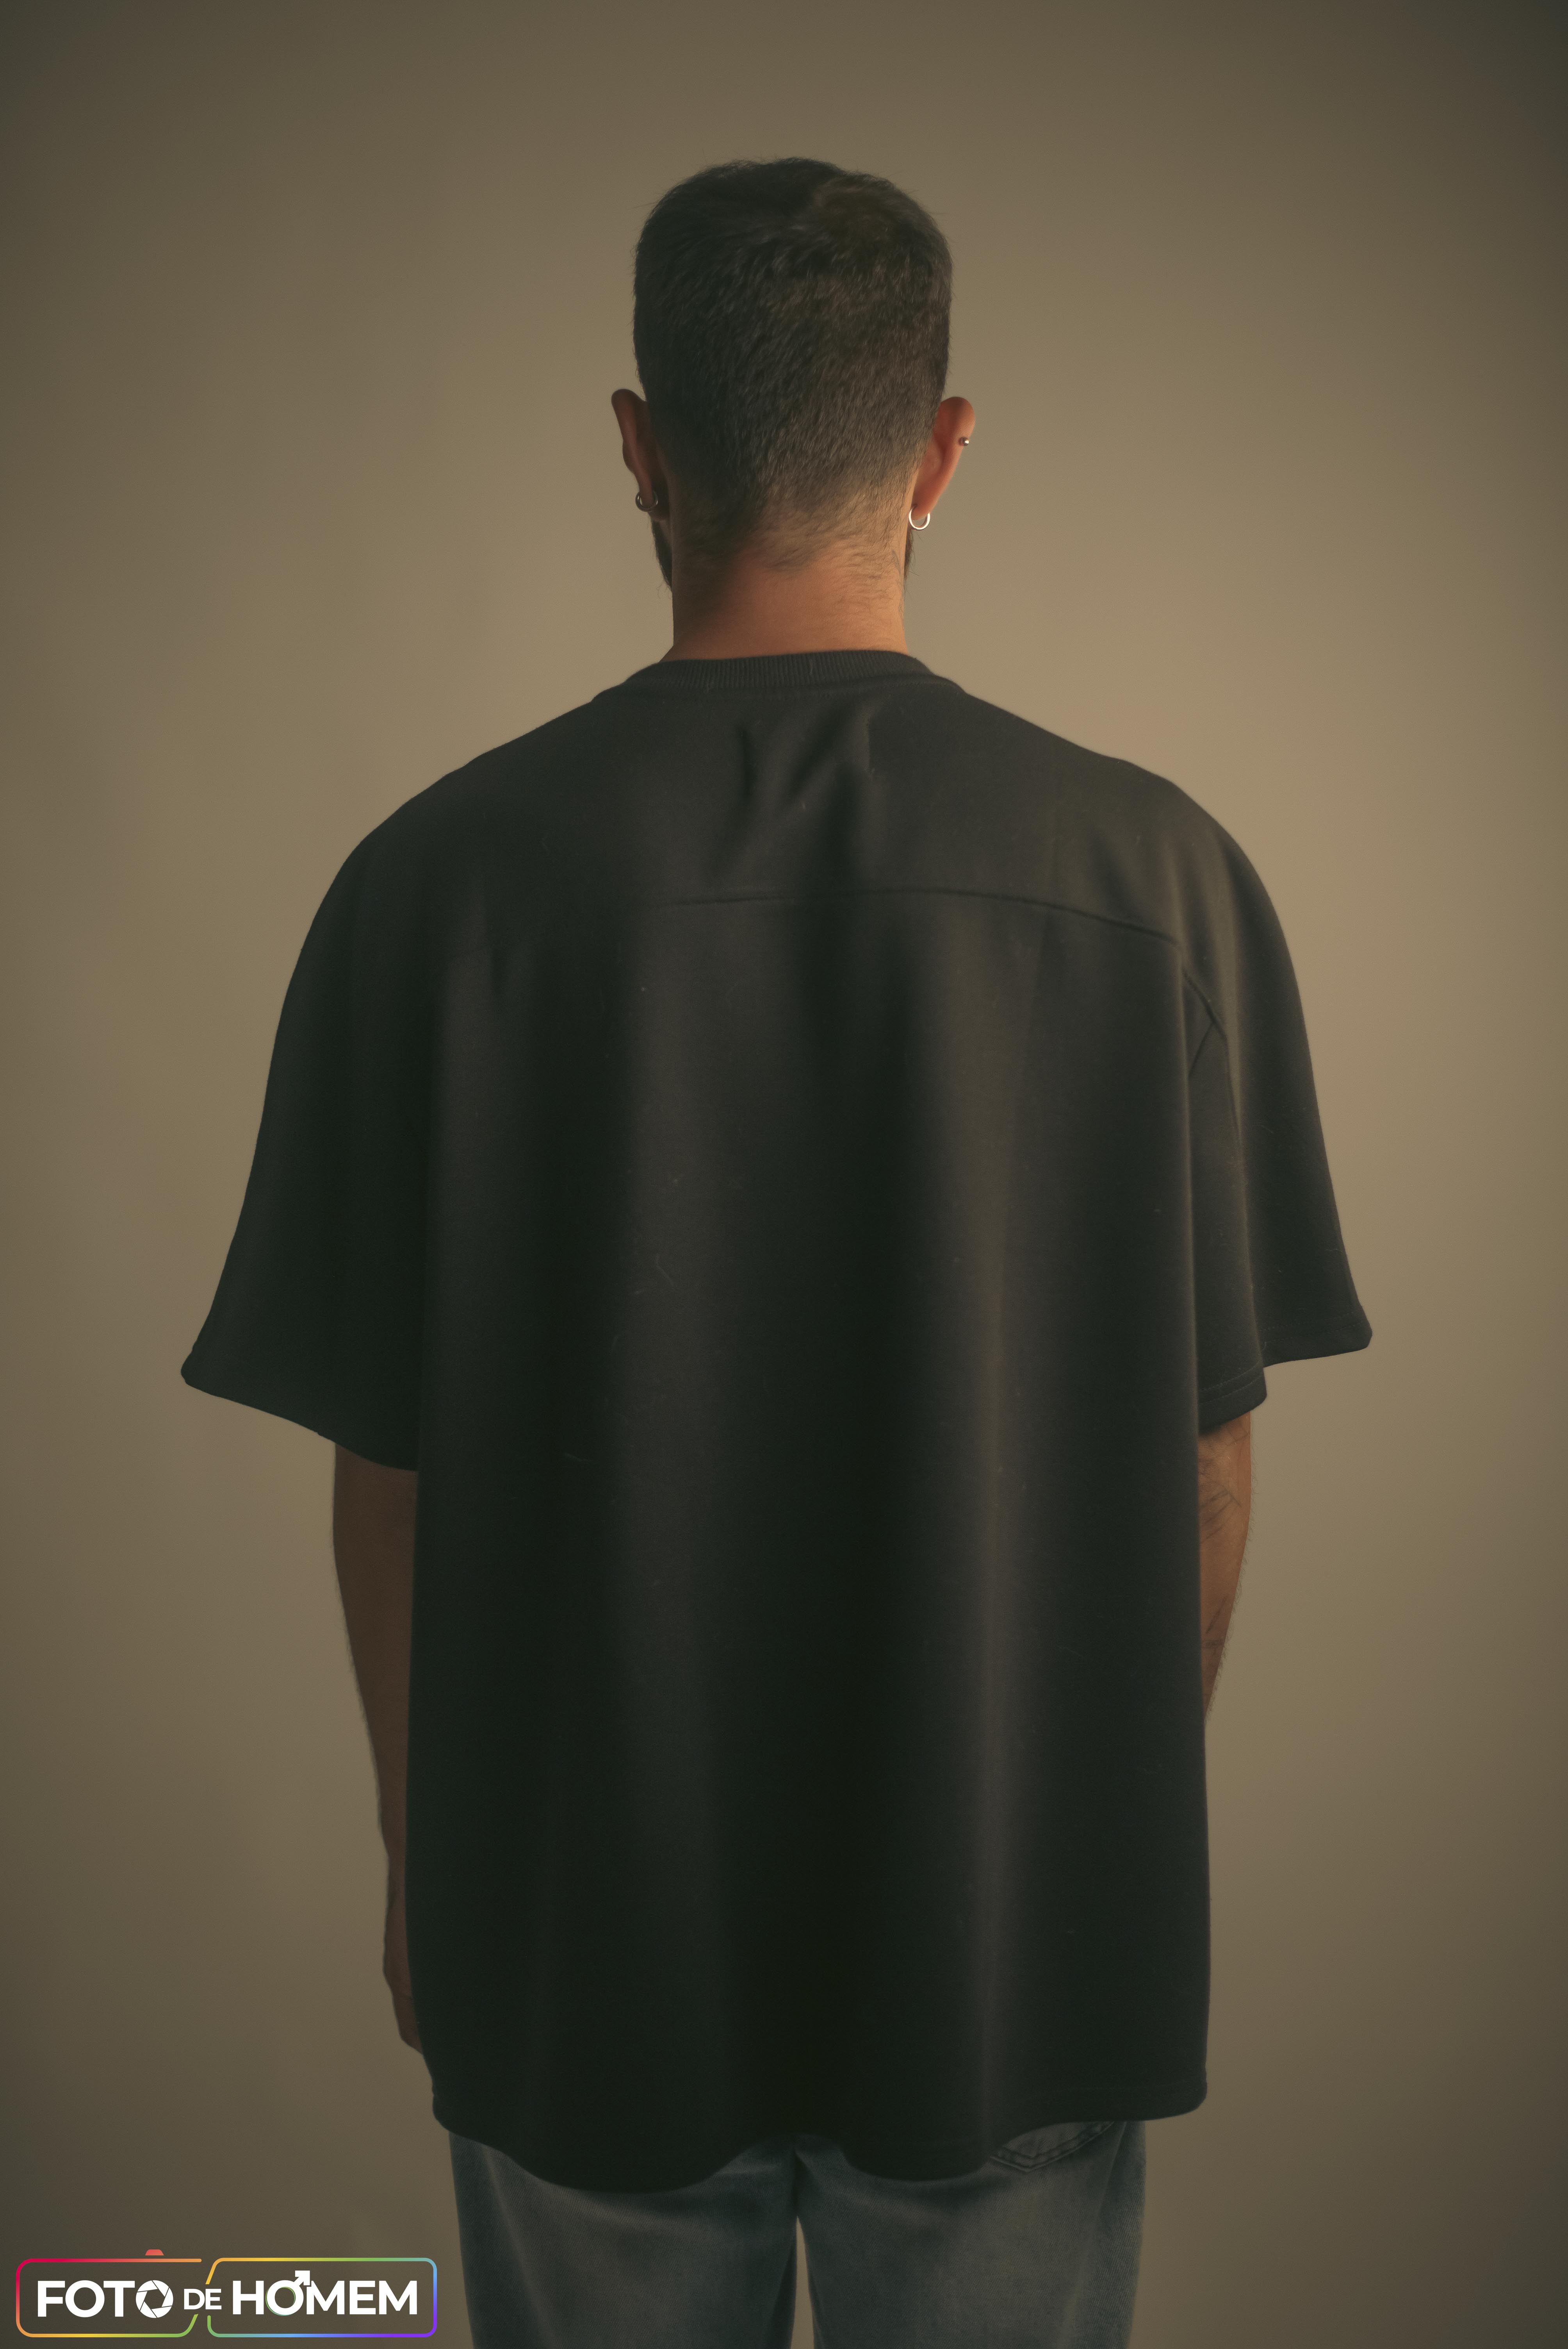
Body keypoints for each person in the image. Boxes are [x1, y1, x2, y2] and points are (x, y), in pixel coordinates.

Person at [181, 158, 1372, 2348]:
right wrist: (1056, 1844)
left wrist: (431, 1861)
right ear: (943, 450)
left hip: (584, 1939)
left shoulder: (436, 886)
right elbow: (1203, 1462)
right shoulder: (1160, 881)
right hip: (1002, 1954)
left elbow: (396, 1478)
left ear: (640, 445)